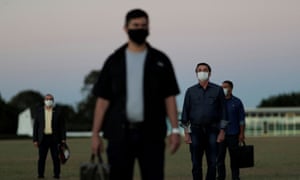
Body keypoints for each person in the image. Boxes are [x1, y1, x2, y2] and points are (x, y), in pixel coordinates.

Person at [91, 8, 181, 180]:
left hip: (152, 134)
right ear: (126, 28)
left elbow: (169, 97)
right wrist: (95, 134)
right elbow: (102, 101)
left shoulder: (161, 60)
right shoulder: (114, 61)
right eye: (135, 25)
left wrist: (175, 130)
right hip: (119, 136)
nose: (140, 29)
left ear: (148, 28)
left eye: (143, 25)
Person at [180, 62, 228, 180]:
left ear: (209, 73)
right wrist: (186, 133)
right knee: (196, 163)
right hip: (195, 131)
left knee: (212, 162)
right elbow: (185, 112)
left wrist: (222, 131)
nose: (202, 72)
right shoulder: (190, 91)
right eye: (199, 70)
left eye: (205, 69)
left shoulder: (218, 90)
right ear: (196, 73)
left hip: (213, 130)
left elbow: (224, 112)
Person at [217, 80, 246, 180]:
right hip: (220, 135)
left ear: (231, 88)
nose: (223, 89)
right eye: (222, 87)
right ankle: (221, 177)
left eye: (226, 87)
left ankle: (235, 177)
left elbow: (242, 120)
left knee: (234, 158)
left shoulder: (237, 102)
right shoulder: (218, 102)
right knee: (220, 159)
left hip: (233, 135)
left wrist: (242, 134)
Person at [33, 94, 66, 179]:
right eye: (47, 99)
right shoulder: (39, 111)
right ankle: (40, 175)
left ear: (53, 101)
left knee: (56, 158)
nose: (49, 101)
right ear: (44, 101)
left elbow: (62, 127)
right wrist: (35, 140)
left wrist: (63, 139)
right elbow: (36, 127)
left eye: (50, 99)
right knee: (41, 158)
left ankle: (57, 175)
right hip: (43, 138)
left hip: (54, 139)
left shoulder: (58, 112)